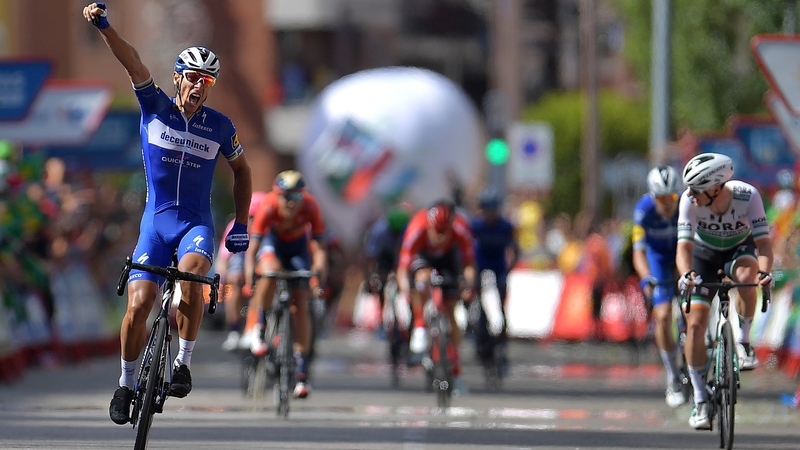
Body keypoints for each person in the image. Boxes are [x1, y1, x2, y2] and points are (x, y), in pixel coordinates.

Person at [83, 3, 253, 426]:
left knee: (194, 277)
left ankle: (183, 363)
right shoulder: (154, 105)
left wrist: (242, 224)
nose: (200, 85)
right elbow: (132, 60)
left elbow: (243, 171)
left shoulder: (220, 126)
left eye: (208, 80)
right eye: (193, 77)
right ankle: (125, 384)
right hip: (155, 225)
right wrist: (105, 26)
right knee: (138, 305)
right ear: (178, 77)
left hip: (195, 222)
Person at [677, 153, 774, 429]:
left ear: (716, 187)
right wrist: (686, 275)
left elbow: (764, 245)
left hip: (738, 250)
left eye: (696, 189)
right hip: (703, 255)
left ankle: (743, 342)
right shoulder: (688, 202)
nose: (690, 194)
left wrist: (765, 273)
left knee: (748, 276)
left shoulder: (748, 196)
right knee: (695, 325)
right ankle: (700, 399)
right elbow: (683, 248)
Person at [245, 170, 327, 399]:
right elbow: (253, 250)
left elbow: (320, 250)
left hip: (299, 247)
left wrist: (318, 276)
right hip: (273, 244)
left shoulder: (311, 207)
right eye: (285, 197)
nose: (291, 203)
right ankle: (259, 327)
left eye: (297, 197)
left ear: (303, 196)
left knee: (300, 304)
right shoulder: (268, 207)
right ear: (276, 196)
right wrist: (251, 278)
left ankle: (301, 369)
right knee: (270, 272)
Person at [396, 199, 476, 393]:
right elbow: (403, 269)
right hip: (424, 257)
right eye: (436, 231)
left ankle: (455, 366)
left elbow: (468, 264)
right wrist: (406, 289)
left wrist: (468, 285)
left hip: (449, 259)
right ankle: (420, 326)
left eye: (444, 232)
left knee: (451, 308)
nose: (439, 236)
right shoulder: (418, 228)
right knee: (421, 279)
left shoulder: (460, 228)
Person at [632, 166, 686, 408]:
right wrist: (646, 278)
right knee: (663, 315)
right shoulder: (642, 211)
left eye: (671, 197)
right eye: (660, 199)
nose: (666, 204)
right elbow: (639, 253)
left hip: (684, 256)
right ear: (652, 196)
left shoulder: (687, 205)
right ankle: (673, 375)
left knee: (692, 313)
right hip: (658, 262)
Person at [469, 188, 519, 372]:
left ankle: (503, 347)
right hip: (481, 266)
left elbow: (514, 249)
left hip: (499, 267)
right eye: (486, 210)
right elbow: (467, 249)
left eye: (493, 210)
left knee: (501, 305)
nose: (490, 214)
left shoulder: (506, 226)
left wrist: (510, 268)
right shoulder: (476, 226)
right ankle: (481, 339)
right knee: (480, 302)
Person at [218, 191, 267, 351]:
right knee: (234, 280)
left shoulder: (271, 226)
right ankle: (234, 330)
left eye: (258, 217)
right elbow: (223, 259)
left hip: (262, 254)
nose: (254, 221)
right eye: (250, 217)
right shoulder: (236, 226)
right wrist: (224, 279)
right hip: (241, 255)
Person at [362, 202, 414, 313]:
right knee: (380, 281)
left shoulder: (409, 230)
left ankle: (410, 307)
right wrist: (369, 277)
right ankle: (381, 308)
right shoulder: (378, 231)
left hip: (400, 254)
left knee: (409, 279)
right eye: (393, 233)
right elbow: (370, 257)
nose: (395, 235)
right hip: (384, 255)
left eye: (398, 233)